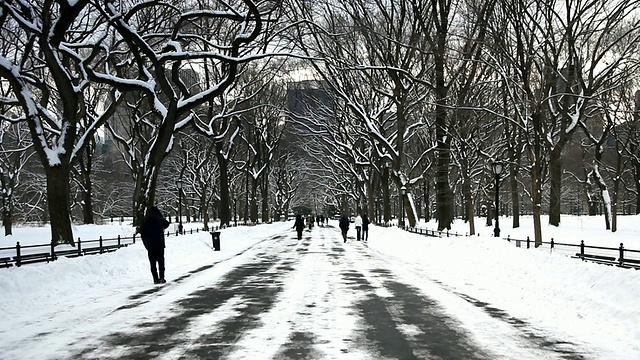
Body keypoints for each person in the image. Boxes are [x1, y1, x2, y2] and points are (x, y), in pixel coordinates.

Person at [140, 206, 170, 284]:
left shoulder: (144, 221)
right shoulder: (158, 219)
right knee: (161, 261)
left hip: (150, 245)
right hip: (159, 244)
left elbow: (142, 233)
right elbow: (166, 224)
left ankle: (155, 278)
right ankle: (162, 277)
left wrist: (146, 244)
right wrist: (160, 217)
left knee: (152, 263)